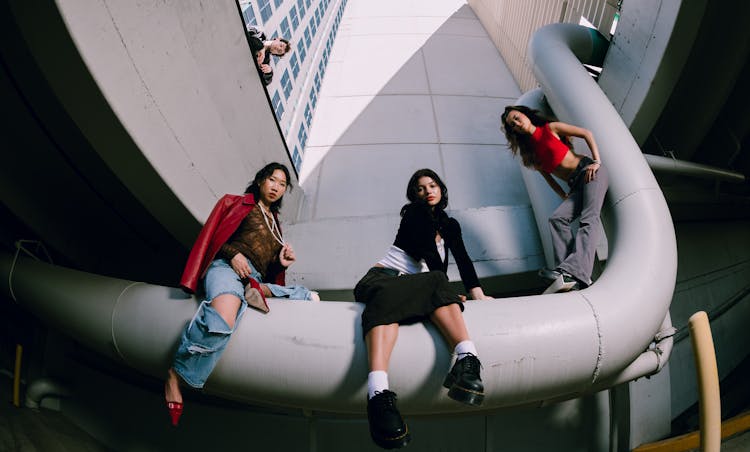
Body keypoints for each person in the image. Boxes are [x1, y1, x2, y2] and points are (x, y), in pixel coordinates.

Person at [164, 162, 318, 426]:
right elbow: (213, 237)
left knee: (306, 296)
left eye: (282, 185)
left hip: (255, 280)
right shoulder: (237, 204)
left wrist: (281, 263)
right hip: (225, 267)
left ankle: (254, 293)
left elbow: (267, 268)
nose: (276, 187)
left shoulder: (276, 226)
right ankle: (175, 375)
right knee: (224, 318)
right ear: (260, 181)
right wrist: (233, 255)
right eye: (272, 180)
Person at [354, 168, 492, 449]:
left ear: (441, 189)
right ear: (414, 195)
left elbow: (463, 260)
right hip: (381, 279)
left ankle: (467, 363)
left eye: (432, 185)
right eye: (420, 188)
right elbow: (431, 257)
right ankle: (378, 395)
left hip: (410, 288)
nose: (427, 191)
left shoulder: (450, 225)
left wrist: (477, 294)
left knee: (427, 287)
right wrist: (445, 290)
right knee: (420, 287)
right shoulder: (415, 215)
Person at [501, 105, 608, 293]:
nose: (517, 124)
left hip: (589, 172)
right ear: (514, 131)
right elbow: (550, 179)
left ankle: (574, 271)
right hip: (575, 186)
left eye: (517, 118)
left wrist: (597, 161)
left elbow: (586, 133)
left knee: (588, 218)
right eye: (513, 125)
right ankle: (567, 273)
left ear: (525, 115)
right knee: (557, 219)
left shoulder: (551, 129)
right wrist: (563, 195)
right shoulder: (530, 155)